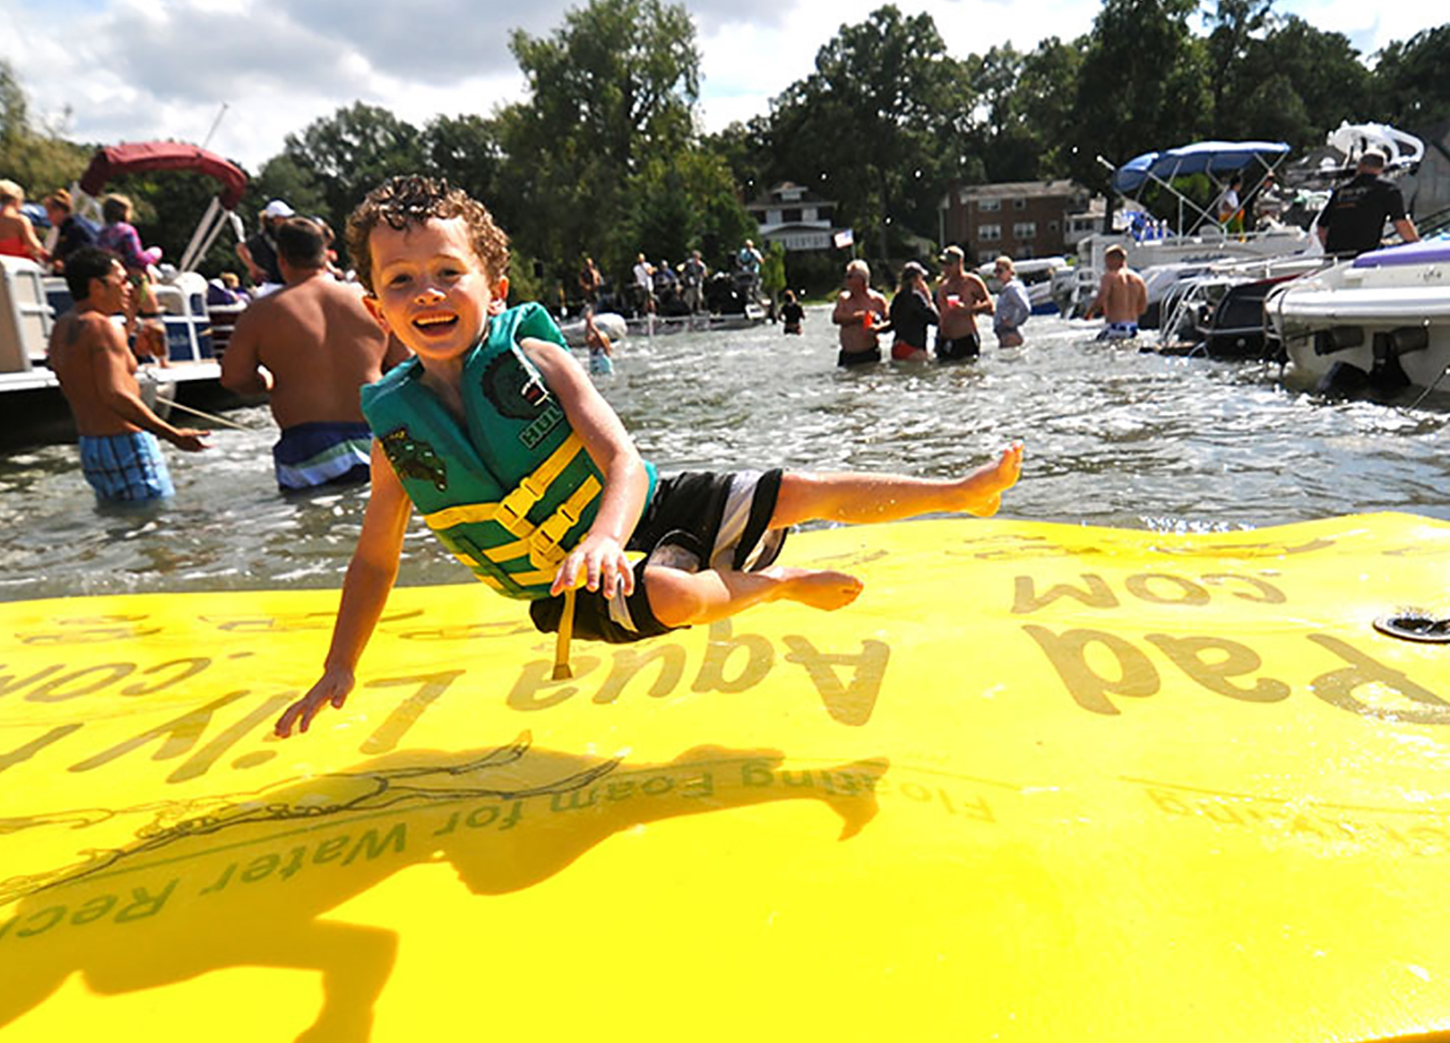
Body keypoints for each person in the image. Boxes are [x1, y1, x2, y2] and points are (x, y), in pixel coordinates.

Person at [274, 176, 1023, 737]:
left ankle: (961, 492)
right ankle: (779, 584)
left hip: (634, 513)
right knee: (673, 594)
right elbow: (375, 560)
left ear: (493, 289)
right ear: (376, 308)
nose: (426, 293)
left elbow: (624, 463)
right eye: (400, 281)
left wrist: (604, 536)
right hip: (566, 591)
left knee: (798, 488)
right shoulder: (397, 443)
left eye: (446, 272)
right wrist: (341, 662)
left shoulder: (535, 354)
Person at [221, 216, 403, 491]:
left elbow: (234, 378)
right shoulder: (370, 302)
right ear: (326, 254)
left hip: (306, 445)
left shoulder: (262, 312)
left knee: (313, 527)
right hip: (376, 434)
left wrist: (266, 383)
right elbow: (405, 365)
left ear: (281, 259)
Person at [46, 247, 209, 501]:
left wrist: (130, 336)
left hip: (92, 447)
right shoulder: (103, 327)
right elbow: (115, 394)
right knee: (156, 527)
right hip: (125, 443)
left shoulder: (62, 327)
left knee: (121, 530)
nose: (129, 287)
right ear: (97, 286)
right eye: (121, 280)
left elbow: (89, 377)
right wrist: (172, 435)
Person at [97, 194, 168, 366]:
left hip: (116, 282)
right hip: (136, 281)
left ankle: (122, 357)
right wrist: (155, 252)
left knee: (129, 323)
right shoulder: (127, 231)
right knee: (153, 319)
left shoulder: (101, 233)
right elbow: (138, 259)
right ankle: (163, 361)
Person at [1316, 149, 1420, 258]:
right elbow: (1401, 224)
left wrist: (1333, 252)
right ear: (1382, 168)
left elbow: (1322, 228)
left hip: (1334, 257)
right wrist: (1417, 245)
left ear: (1359, 166)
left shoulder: (1340, 191)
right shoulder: (1387, 189)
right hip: (1365, 257)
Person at [934, 246, 991, 361]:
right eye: (943, 264)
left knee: (967, 373)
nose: (945, 268)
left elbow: (989, 305)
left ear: (959, 263)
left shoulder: (971, 282)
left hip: (965, 338)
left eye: (949, 264)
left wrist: (968, 309)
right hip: (944, 339)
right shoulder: (942, 285)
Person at [833, 258, 890, 367]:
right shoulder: (844, 298)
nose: (846, 281)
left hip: (869, 353)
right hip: (847, 355)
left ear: (861, 279)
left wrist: (877, 327)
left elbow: (891, 321)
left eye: (849, 277)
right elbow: (836, 318)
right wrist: (858, 317)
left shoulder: (878, 300)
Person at [1087, 245, 1148, 340]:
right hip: (1133, 328)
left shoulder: (1109, 277)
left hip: (1115, 328)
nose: (1106, 265)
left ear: (1114, 260)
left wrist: (1089, 313)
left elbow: (1102, 297)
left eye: (1107, 260)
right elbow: (1143, 308)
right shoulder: (1139, 279)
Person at [0, 180, 48, 262]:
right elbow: (33, 246)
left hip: (4, 264)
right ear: (16, 200)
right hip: (22, 265)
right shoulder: (20, 220)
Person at [887, 261, 936, 362]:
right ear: (915, 279)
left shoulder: (897, 298)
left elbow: (892, 323)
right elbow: (935, 319)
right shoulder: (916, 297)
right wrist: (929, 299)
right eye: (921, 278)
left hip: (897, 346)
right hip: (913, 348)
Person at [43, 189, 99, 273]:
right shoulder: (65, 228)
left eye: (50, 212)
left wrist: (65, 265)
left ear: (61, 211)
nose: (48, 217)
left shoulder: (76, 229)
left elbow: (84, 256)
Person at [239, 200, 291, 289]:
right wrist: (254, 268)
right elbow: (241, 248)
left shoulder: (286, 234)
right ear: (274, 219)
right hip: (270, 284)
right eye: (283, 217)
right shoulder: (262, 237)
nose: (287, 220)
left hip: (285, 282)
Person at [989, 256, 1031, 348]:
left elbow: (1025, 308)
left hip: (1011, 334)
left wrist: (1013, 322)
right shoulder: (1006, 289)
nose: (997, 275)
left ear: (1010, 271)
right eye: (995, 271)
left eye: (1000, 271)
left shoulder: (1013, 288)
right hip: (1004, 334)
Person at [583, 306, 617, 375]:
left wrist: (590, 322)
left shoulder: (605, 350)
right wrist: (588, 322)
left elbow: (598, 334)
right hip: (596, 374)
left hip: (606, 374)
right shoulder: (592, 349)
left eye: (595, 339)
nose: (593, 339)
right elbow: (587, 335)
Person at [679, 249, 707, 315]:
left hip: (698, 283)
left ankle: (698, 309)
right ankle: (689, 310)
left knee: (699, 297)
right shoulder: (688, 263)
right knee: (690, 297)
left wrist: (702, 275)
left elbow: (705, 274)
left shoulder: (701, 265)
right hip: (689, 283)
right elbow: (683, 271)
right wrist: (684, 279)